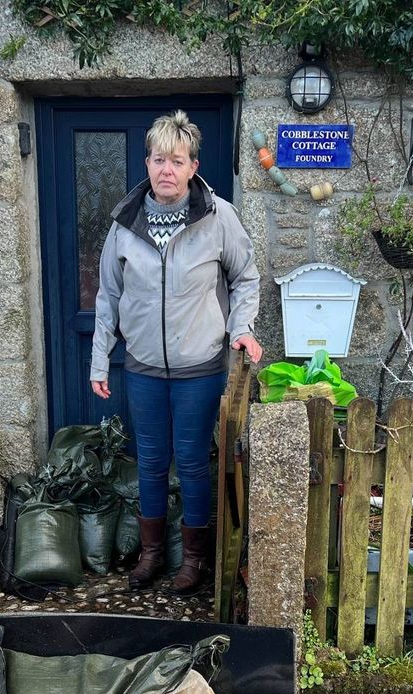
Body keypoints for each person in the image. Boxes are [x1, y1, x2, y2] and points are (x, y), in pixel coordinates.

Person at [90, 110, 262, 595]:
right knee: (148, 461)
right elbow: (108, 295)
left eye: (178, 160)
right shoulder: (125, 224)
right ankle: (150, 557)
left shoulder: (217, 217)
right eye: (159, 159)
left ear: (193, 167)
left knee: (190, 462)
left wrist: (242, 329)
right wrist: (100, 359)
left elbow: (245, 278)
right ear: (147, 163)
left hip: (200, 368)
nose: (167, 169)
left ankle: (193, 561)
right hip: (142, 368)